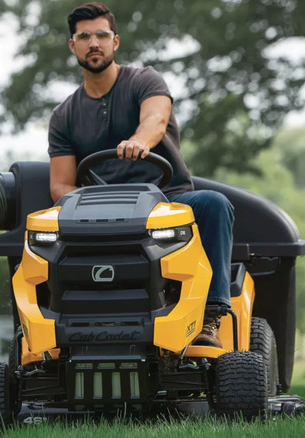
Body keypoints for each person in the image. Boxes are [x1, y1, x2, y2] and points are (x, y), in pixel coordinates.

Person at [48, 2, 234, 348]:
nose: (94, 43)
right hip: (98, 213)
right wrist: (83, 205)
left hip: (166, 201)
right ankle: (52, 326)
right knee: (41, 231)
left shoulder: (144, 80)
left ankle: (209, 318)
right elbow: (60, 185)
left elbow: (155, 120)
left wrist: (138, 142)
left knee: (213, 204)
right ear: (72, 46)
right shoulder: (64, 115)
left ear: (115, 42)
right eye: (84, 36)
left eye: (102, 35)